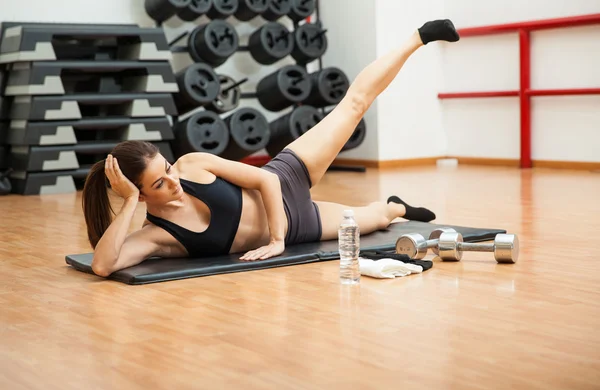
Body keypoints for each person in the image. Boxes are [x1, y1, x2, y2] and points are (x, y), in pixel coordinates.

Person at [82, 19, 460, 277]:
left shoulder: (191, 165)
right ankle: (399, 205)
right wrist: (127, 202)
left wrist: (277, 241)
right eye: (159, 184)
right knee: (378, 219)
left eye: (166, 168)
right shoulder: (156, 235)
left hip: (286, 178)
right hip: (300, 226)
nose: (172, 180)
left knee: (354, 104)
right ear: (143, 196)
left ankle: (420, 36)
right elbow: (103, 265)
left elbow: (266, 180)